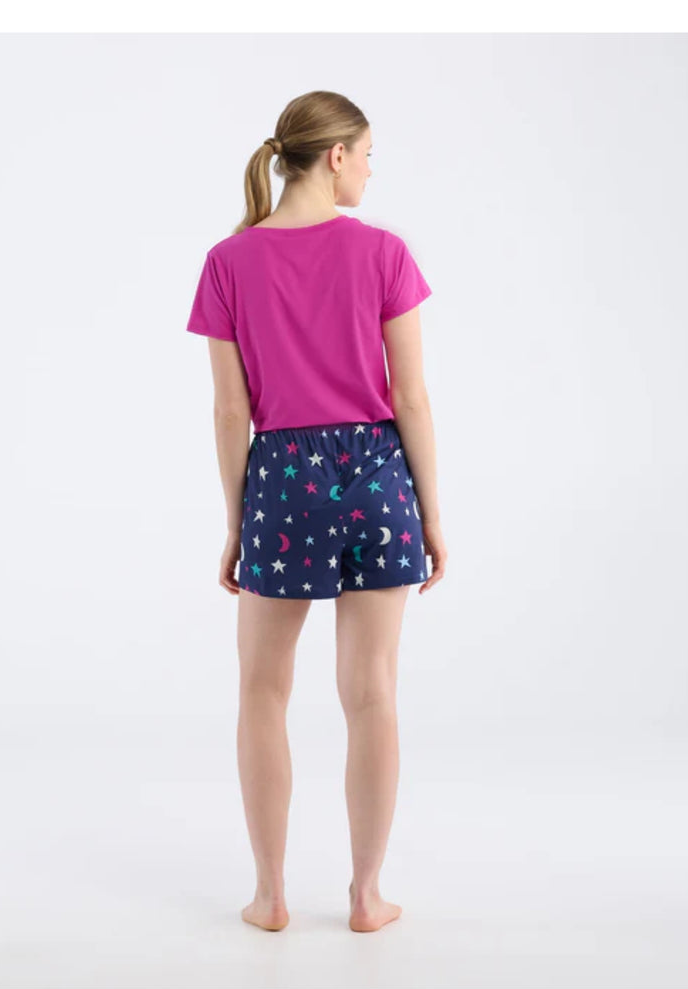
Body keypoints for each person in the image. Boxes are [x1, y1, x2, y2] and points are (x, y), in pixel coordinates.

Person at [185, 90, 447, 933]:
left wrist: (237, 523)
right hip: (376, 477)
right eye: (366, 154)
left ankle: (269, 896)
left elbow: (231, 412)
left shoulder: (228, 261)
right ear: (335, 156)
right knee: (371, 693)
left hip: (282, 482)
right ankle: (367, 897)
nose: (369, 170)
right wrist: (428, 512)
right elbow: (410, 397)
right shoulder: (383, 252)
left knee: (262, 689)